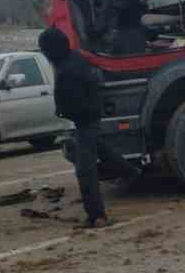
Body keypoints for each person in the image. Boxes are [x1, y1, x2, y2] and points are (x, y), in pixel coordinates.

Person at [38, 27, 139, 227]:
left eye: (44, 50)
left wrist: (66, 113)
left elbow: (79, 101)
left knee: (85, 170)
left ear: (51, 50)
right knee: (101, 149)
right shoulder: (73, 59)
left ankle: (97, 216)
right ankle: (131, 172)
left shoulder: (68, 70)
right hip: (87, 119)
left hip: (85, 120)